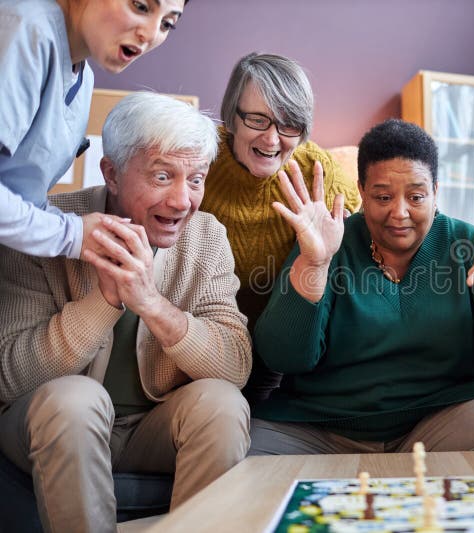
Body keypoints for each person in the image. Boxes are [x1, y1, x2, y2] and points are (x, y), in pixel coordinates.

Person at [0, 92, 252, 532]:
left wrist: (151, 303)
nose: (181, 201)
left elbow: (234, 365)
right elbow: (11, 376)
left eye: (195, 179)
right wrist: (107, 300)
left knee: (222, 403)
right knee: (76, 400)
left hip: (151, 429)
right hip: (51, 422)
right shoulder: (47, 227)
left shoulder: (207, 236)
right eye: (162, 175)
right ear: (112, 174)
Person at [248, 119, 474, 454]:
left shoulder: (468, 244)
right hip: (319, 428)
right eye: (383, 196)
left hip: (438, 424)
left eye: (416, 196)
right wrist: (314, 265)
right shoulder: (328, 240)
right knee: (250, 451)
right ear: (361, 191)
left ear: (436, 191)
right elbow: (282, 356)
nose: (400, 212)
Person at [200, 52, 360, 401]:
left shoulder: (316, 170)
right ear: (232, 117)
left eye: (289, 125)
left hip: (281, 353)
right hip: (204, 342)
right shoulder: (199, 156)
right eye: (258, 119)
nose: (272, 140)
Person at [0, 0, 187, 259]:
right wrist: (72, 235)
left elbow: (22, 196)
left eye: (167, 24)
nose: (151, 34)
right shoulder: (25, 27)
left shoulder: (83, 79)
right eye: (141, 7)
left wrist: (97, 235)